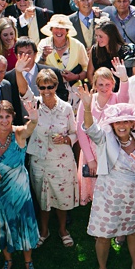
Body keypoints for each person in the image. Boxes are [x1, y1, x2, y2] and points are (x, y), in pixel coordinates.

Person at [83, 101, 135, 269]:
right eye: (117, 122)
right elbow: (89, 128)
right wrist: (87, 107)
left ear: (132, 123)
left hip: (133, 194)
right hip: (108, 194)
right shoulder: (105, 138)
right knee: (104, 236)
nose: (121, 126)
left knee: (133, 231)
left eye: (126, 122)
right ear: (112, 124)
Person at [0, 97, 42, 269]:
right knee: (3, 225)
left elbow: (30, 128)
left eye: (8, 116)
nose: (4, 121)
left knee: (23, 224)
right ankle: (8, 260)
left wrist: (34, 118)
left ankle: (28, 262)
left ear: (12, 117)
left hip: (19, 192)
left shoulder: (18, 134)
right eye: (0, 117)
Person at [23, 70, 78, 244]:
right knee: (43, 198)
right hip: (40, 160)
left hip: (62, 161)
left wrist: (66, 139)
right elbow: (22, 90)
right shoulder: (34, 105)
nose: (46, 90)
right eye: (42, 87)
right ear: (38, 88)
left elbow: (75, 132)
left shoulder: (66, 108)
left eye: (50, 86)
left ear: (56, 85)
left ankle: (63, 230)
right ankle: (44, 230)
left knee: (62, 198)